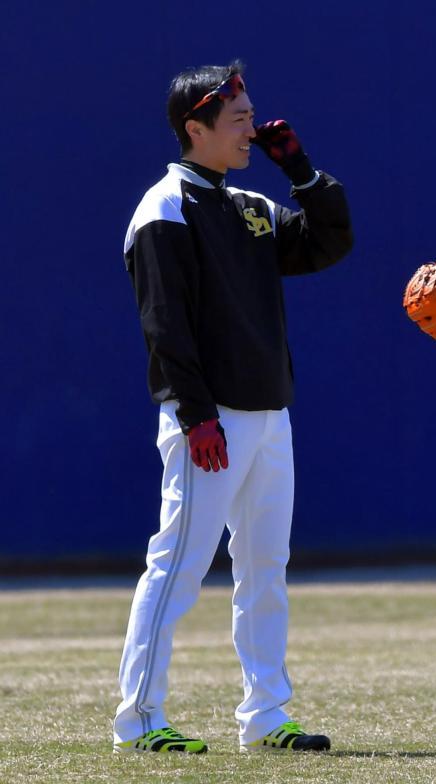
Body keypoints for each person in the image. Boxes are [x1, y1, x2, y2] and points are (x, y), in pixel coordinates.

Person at [114, 60, 353, 754]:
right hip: (209, 421)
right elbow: (165, 324)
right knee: (178, 566)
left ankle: (266, 715)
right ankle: (140, 720)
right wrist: (195, 416)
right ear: (196, 128)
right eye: (239, 117)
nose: (254, 126)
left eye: (253, 114)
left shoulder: (250, 206)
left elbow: (329, 244)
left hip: (270, 414)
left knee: (264, 569)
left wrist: (302, 172)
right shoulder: (165, 208)